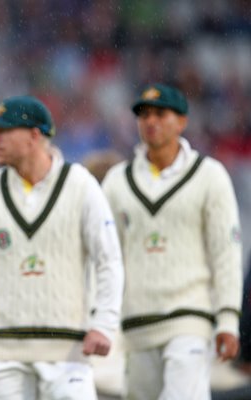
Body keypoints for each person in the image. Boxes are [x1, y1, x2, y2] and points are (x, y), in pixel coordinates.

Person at [0, 95, 124, 400]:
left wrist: (104, 324)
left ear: (35, 135)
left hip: (68, 351)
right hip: (4, 349)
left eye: (3, 131)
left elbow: (109, 261)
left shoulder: (81, 185)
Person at [102, 83, 242, 400]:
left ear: (182, 121)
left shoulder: (209, 176)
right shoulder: (117, 182)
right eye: (144, 115)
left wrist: (228, 319)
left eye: (160, 114)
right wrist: (102, 319)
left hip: (190, 316)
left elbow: (226, 252)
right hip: (137, 322)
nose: (150, 122)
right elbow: (106, 257)